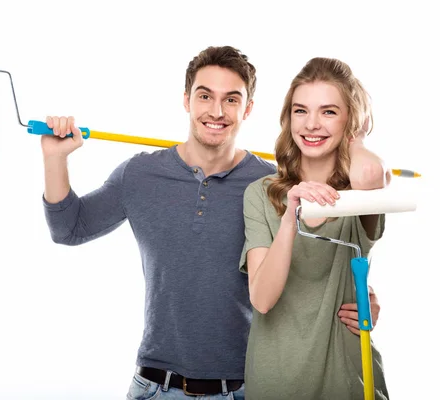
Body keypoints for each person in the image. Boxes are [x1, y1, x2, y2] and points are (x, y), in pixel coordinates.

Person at [40, 46, 382, 399]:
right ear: (187, 100)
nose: (216, 112)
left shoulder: (271, 189)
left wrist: (360, 296)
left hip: (242, 387)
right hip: (156, 386)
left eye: (231, 99)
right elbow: (70, 229)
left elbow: (313, 270)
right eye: (205, 96)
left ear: (248, 109)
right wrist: (54, 159)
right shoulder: (140, 174)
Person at [239, 56, 391, 399]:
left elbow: (368, 174)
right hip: (275, 377)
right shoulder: (261, 195)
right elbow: (262, 300)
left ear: (349, 120)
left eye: (329, 111)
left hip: (347, 376)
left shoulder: (359, 195)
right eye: (300, 110)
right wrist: (291, 214)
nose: (311, 124)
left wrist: (358, 137)